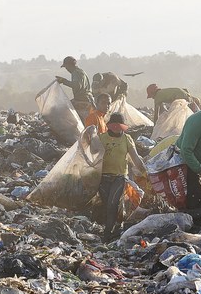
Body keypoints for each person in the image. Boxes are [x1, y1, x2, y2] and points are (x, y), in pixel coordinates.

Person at [98, 113, 147, 241]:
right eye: (113, 126)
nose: (116, 128)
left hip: (119, 177)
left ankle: (107, 233)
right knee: (106, 204)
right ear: (109, 126)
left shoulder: (127, 139)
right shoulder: (101, 138)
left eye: (119, 126)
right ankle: (112, 227)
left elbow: (135, 159)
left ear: (122, 127)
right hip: (103, 178)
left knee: (112, 203)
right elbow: (93, 157)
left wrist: (145, 173)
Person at [56, 56, 94, 121]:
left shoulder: (75, 73)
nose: (66, 69)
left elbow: (77, 86)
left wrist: (63, 81)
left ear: (69, 65)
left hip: (82, 99)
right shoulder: (81, 71)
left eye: (66, 67)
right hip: (88, 98)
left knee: (63, 111)